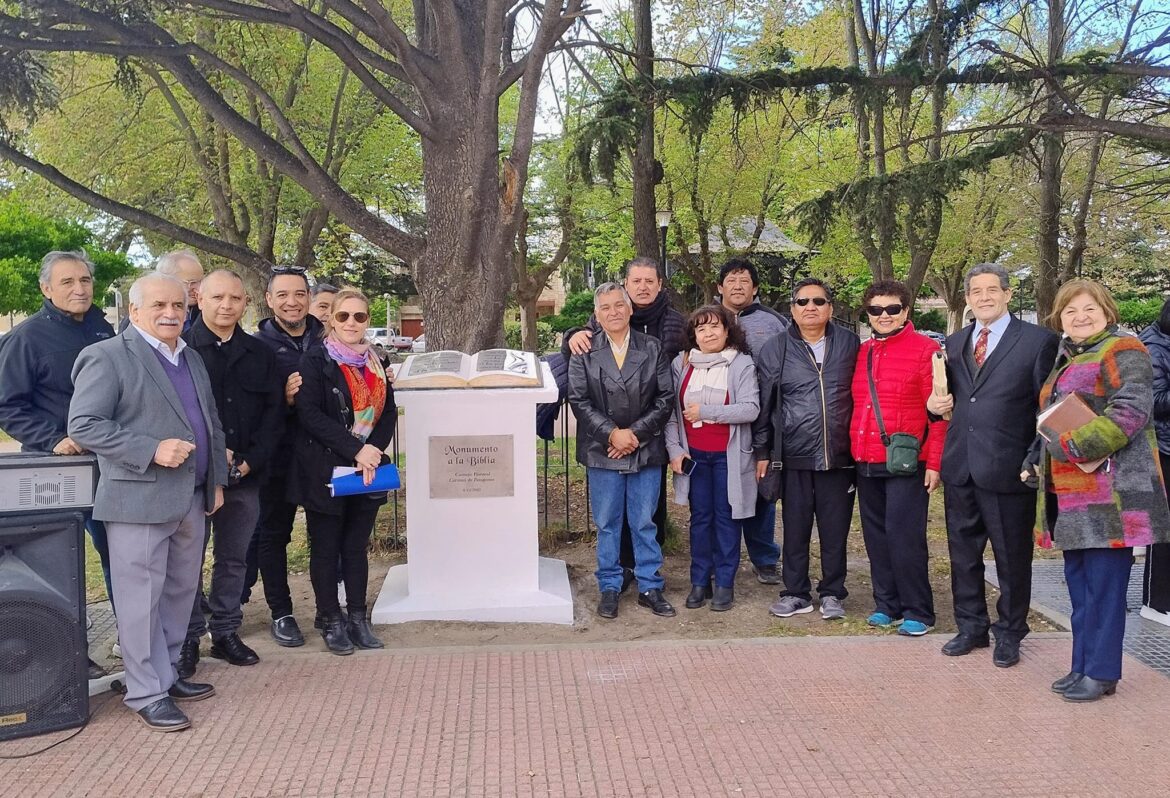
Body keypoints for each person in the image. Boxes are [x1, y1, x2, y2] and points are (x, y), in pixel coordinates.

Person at [68, 272, 227, 732]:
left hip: (192, 498)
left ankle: (168, 672)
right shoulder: (106, 356)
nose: (170, 313)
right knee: (140, 600)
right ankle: (145, 691)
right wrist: (150, 449)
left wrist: (215, 480)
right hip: (136, 499)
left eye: (178, 305)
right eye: (158, 305)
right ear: (134, 311)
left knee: (180, 594)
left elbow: (210, 423)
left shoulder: (191, 357)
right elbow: (84, 424)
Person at [1030, 280, 1170, 702]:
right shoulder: (1068, 355)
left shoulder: (1124, 351)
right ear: (1060, 319)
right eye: (1071, 312)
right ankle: (1081, 665)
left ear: (1107, 311)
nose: (1080, 317)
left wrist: (1071, 446)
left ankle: (1103, 672)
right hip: (1072, 493)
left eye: (1089, 309)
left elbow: (1130, 412)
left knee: (1106, 589)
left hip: (1113, 494)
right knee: (1080, 586)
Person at [926, 264, 1059, 668]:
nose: (983, 297)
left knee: (1010, 556)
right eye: (975, 291)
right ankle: (970, 627)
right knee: (962, 554)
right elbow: (947, 401)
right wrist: (934, 408)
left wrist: (1034, 458)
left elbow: (1048, 408)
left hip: (1009, 467)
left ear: (1006, 293)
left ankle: (1010, 632)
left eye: (991, 290)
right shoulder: (953, 342)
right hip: (961, 464)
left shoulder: (1038, 341)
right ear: (966, 298)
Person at [0, 250, 115, 679]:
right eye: (67, 282)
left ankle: (134, 641)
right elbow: (7, 406)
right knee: (61, 566)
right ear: (46, 289)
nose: (79, 289)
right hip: (54, 471)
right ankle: (65, 655)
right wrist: (54, 440)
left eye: (84, 280)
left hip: (108, 467)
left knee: (116, 555)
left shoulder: (104, 329)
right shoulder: (25, 338)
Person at [177, 270, 284, 679]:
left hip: (244, 476)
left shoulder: (261, 354)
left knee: (234, 559)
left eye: (235, 298)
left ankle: (225, 632)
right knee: (187, 561)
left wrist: (247, 462)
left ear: (246, 303)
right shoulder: (180, 350)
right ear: (199, 299)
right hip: (193, 477)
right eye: (217, 297)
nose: (227, 305)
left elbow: (274, 417)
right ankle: (188, 638)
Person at [564, 257, 685, 590]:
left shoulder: (654, 347)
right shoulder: (584, 352)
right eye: (606, 307)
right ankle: (610, 585)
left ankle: (649, 584)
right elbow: (579, 400)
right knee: (607, 524)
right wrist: (612, 435)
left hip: (645, 448)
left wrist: (633, 435)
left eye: (620, 305)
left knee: (645, 523)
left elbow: (665, 398)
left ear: (629, 309)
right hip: (602, 450)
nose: (614, 311)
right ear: (597, 314)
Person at [288, 289, 396, 654]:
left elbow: (388, 413)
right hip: (326, 468)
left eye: (360, 317)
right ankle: (330, 619)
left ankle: (357, 617)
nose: (352, 323)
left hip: (366, 469)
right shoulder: (315, 361)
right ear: (331, 320)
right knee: (326, 546)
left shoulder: (375, 362)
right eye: (344, 316)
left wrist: (374, 450)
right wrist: (357, 449)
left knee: (355, 548)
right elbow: (311, 416)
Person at [754, 278, 860, 620]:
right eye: (802, 302)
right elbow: (764, 405)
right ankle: (796, 592)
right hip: (793, 456)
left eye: (818, 301)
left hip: (840, 456)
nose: (810, 307)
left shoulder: (850, 344)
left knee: (835, 529)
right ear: (792, 309)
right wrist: (763, 453)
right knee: (795, 529)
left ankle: (832, 592)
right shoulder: (775, 348)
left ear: (830, 307)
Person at [850, 279, 947, 637]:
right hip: (866, 457)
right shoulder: (864, 352)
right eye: (876, 309)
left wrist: (935, 462)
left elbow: (939, 415)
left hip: (907, 460)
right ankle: (886, 604)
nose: (884, 315)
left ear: (906, 311)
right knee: (875, 536)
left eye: (892, 309)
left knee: (905, 536)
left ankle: (918, 608)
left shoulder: (926, 351)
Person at [665, 305, 759, 611]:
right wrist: (674, 450)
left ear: (727, 330)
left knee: (727, 519)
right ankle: (700, 581)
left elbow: (750, 408)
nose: (708, 333)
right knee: (700, 519)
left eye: (714, 326)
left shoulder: (741, 364)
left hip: (729, 457)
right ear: (693, 335)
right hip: (694, 457)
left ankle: (725, 583)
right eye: (701, 329)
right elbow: (671, 414)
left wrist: (707, 412)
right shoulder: (682, 363)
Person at [252, 267, 325, 646]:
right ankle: (281, 613)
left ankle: (329, 610)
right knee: (274, 535)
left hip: (322, 454)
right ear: (269, 299)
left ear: (309, 297)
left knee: (324, 533)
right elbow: (250, 407)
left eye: (299, 293)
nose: (292, 301)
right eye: (283, 294)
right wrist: (283, 399)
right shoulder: (256, 345)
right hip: (277, 456)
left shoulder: (327, 338)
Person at [716, 259, 786, 585]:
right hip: (718, 420)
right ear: (720, 287)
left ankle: (764, 557)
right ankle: (721, 557)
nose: (738, 286)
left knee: (762, 489)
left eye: (745, 281)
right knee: (719, 492)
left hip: (763, 418)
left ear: (755, 288)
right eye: (732, 280)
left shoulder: (773, 322)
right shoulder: (710, 318)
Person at [1138, 300, 1170, 624]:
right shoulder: (1152, 346)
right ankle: (1155, 601)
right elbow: (1153, 401)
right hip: (1162, 447)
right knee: (1163, 527)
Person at [117, 249, 205, 333]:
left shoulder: (205, 313)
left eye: (201, 281)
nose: (199, 288)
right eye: (191, 283)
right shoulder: (137, 320)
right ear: (166, 280)